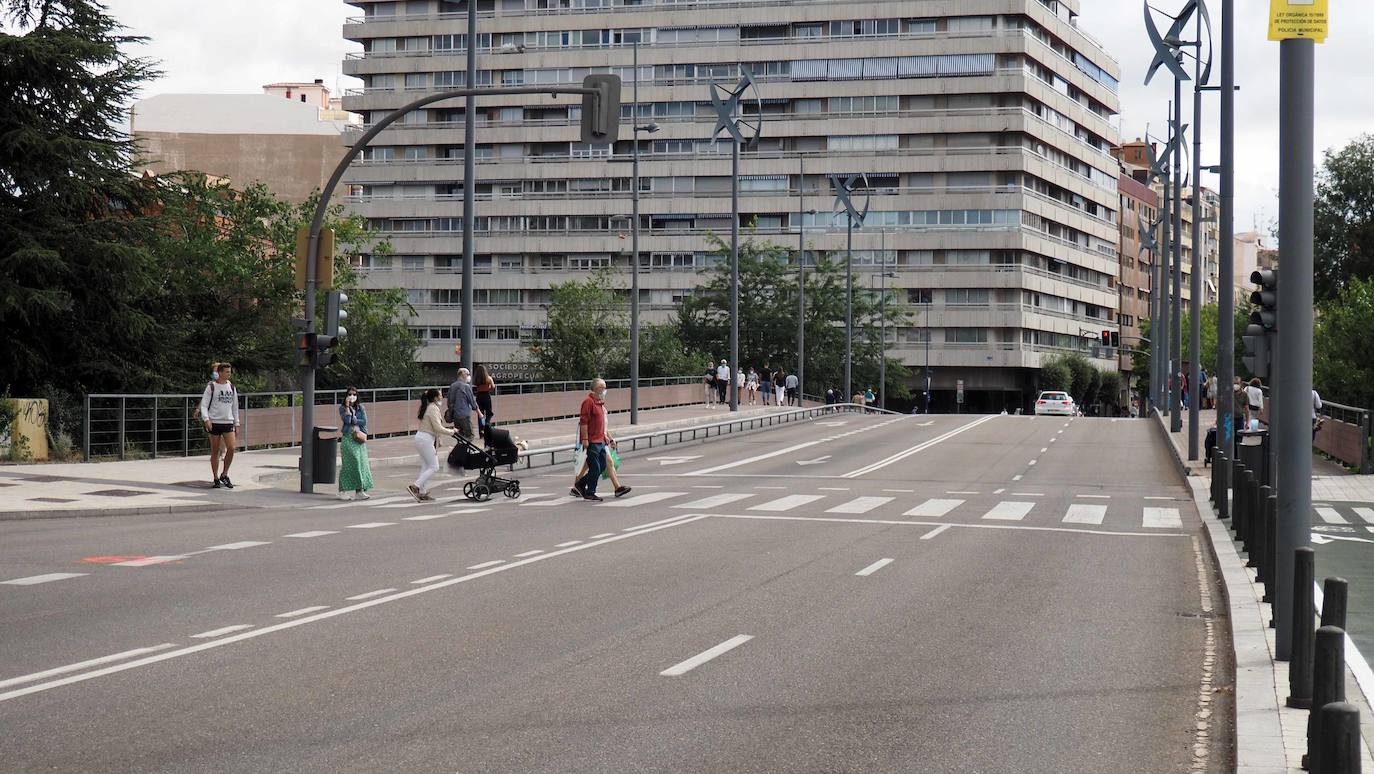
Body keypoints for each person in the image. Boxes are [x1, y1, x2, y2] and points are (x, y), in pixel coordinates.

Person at [575, 378, 616, 502]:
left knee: (602, 465)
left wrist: (607, 437)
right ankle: (590, 492)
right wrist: (585, 439)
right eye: (601, 387)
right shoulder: (588, 402)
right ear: (594, 389)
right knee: (595, 467)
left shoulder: (599, 403)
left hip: (601, 441)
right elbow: (584, 422)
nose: (604, 390)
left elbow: (603, 424)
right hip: (592, 441)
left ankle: (580, 484)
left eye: (605, 387)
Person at [200, 362, 240, 489]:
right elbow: (204, 404)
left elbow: (235, 407)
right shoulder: (212, 386)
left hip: (228, 421)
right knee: (215, 451)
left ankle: (225, 474)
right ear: (220, 372)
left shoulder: (232, 387)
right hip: (214, 422)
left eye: (230, 372)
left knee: (231, 448)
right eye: (227, 372)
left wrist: (236, 422)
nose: (229, 374)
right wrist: (206, 419)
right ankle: (216, 477)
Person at [410, 388, 453, 502]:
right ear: (435, 398)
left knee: (426, 465)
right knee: (434, 466)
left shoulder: (430, 408)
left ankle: (422, 492)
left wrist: (440, 438)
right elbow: (438, 427)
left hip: (422, 438)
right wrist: (452, 431)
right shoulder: (433, 409)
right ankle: (415, 486)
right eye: (440, 395)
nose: (442, 397)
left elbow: (435, 428)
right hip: (425, 439)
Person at [337, 386, 374, 501]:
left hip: (359, 438)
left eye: (354, 394)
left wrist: (354, 420)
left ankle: (359, 490)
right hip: (348, 438)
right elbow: (347, 421)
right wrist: (348, 408)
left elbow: (364, 421)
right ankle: (342, 490)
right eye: (350, 394)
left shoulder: (360, 407)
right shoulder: (343, 408)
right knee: (350, 463)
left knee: (361, 464)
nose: (352, 396)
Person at [445, 367, 480, 443]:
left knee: (460, 436)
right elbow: (472, 402)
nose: (469, 376)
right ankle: (465, 450)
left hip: (455, 416)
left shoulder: (452, 386)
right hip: (464, 415)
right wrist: (479, 413)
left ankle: (460, 451)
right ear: (462, 375)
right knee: (470, 435)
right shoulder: (466, 387)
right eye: (468, 374)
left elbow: (449, 401)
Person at [472, 363, 496, 435]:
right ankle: (487, 426)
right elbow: (493, 387)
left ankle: (481, 431)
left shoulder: (476, 379)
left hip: (479, 396)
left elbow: (475, 386)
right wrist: (488, 388)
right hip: (486, 395)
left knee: (480, 414)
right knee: (489, 413)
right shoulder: (488, 378)